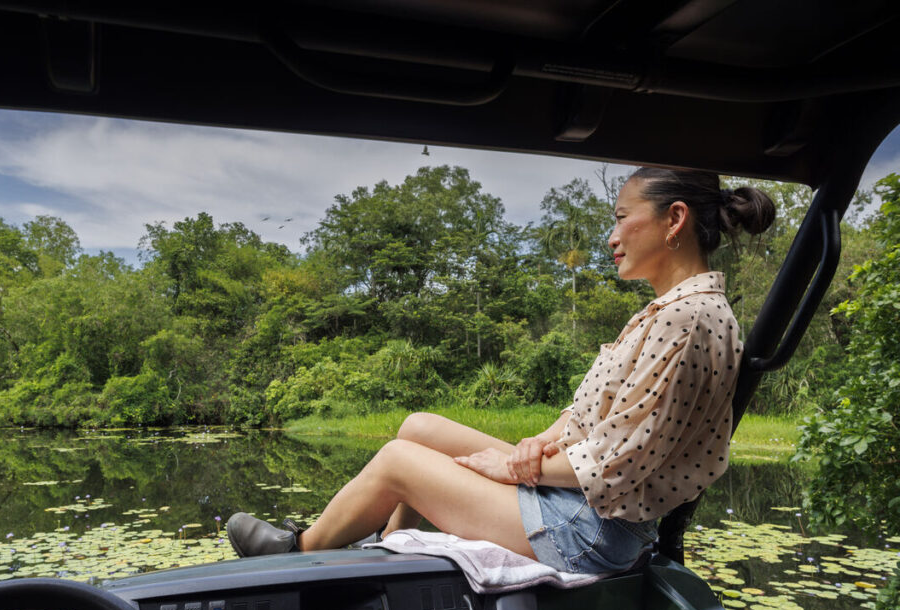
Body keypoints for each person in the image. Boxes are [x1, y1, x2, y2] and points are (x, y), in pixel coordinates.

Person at [227, 168, 775, 574]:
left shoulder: (687, 319)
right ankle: (385, 555)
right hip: (579, 504)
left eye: (621, 218)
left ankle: (295, 553)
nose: (611, 237)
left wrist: (517, 469)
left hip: (589, 530)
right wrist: (537, 441)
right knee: (418, 427)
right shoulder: (672, 310)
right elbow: (596, 417)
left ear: (674, 218)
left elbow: (616, 466)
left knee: (397, 460)